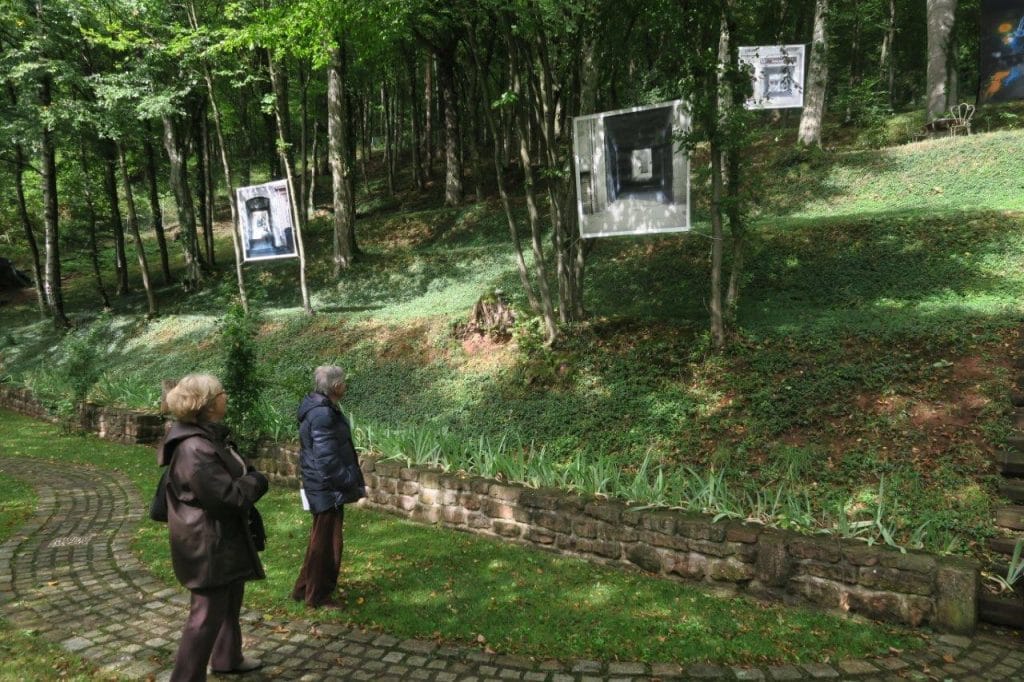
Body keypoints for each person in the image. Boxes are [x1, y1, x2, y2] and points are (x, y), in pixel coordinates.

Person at [157, 374, 269, 681]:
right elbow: (226, 498)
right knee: (204, 616)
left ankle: (227, 658)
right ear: (206, 404)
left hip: (222, 537)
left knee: (230, 601)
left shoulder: (208, 436)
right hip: (207, 542)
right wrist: (256, 481)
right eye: (221, 392)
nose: (226, 395)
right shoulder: (194, 447)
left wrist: (244, 474)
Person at [292, 365, 366, 608]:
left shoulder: (320, 409)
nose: (345, 385)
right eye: (343, 382)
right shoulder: (322, 414)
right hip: (326, 488)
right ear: (335, 387)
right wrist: (349, 482)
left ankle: (304, 589)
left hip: (321, 485)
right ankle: (318, 596)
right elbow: (327, 459)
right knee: (327, 545)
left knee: (320, 540)